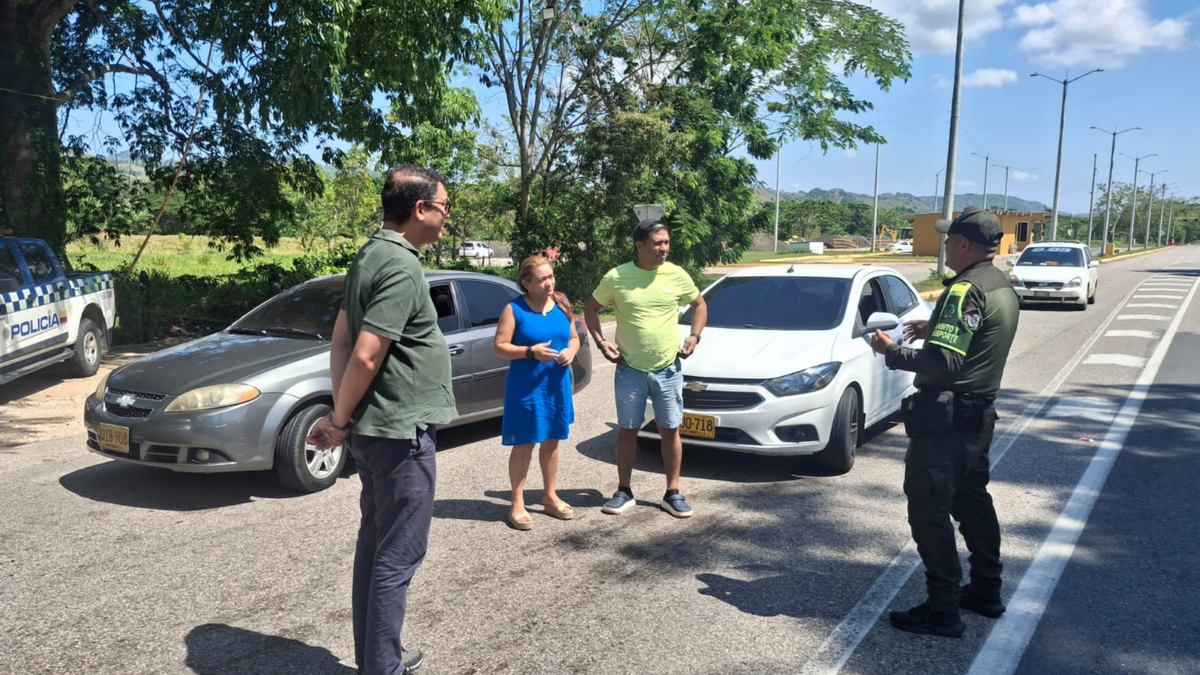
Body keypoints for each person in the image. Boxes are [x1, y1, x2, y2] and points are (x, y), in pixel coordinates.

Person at [307, 165, 456, 674]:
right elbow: (366, 354)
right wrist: (339, 420)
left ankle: (379, 657)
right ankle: (383, 668)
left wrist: (341, 414)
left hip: (377, 431)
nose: (445, 219)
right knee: (399, 555)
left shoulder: (368, 256)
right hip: (398, 433)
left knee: (376, 548)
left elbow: (342, 343)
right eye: (443, 209)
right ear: (420, 209)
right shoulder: (399, 265)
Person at [870, 206, 1020, 638]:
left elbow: (945, 362)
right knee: (972, 500)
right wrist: (934, 324)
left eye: (949, 239)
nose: (944, 246)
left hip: (947, 420)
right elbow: (971, 341)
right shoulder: (1000, 284)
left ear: (963, 245)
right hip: (977, 416)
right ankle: (986, 591)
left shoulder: (964, 290)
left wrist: (890, 351)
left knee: (929, 507)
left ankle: (943, 609)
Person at [583, 219, 708, 518]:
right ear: (640, 245)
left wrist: (694, 336)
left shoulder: (676, 275)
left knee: (670, 430)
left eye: (666, 242)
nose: (664, 248)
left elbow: (700, 304)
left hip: (668, 368)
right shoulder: (616, 277)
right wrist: (601, 342)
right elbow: (591, 308)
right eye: (658, 243)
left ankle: (672, 493)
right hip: (630, 368)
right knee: (628, 431)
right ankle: (624, 491)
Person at [492, 255, 581, 530]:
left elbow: (575, 337)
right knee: (524, 444)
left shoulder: (562, 304)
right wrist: (531, 352)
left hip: (556, 386)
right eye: (542, 279)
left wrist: (571, 351)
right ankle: (516, 503)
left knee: (553, 441)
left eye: (551, 277)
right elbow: (499, 347)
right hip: (527, 388)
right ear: (525, 283)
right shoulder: (514, 309)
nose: (549, 283)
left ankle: (549, 496)